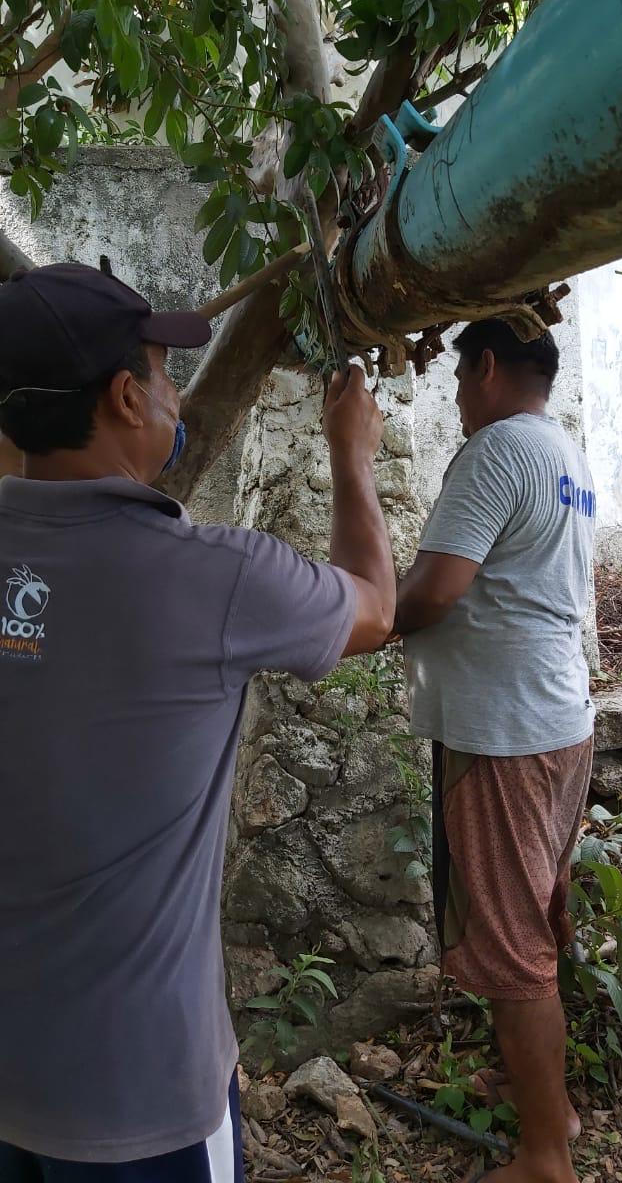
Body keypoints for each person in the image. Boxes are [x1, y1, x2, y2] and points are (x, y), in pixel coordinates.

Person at [0, 262, 395, 1181]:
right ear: (127, 398)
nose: (179, 395)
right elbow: (376, 607)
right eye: (166, 374)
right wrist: (353, 455)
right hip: (142, 1101)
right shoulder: (214, 576)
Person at [396, 318, 596, 1183]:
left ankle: (546, 1153)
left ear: (485, 366)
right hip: (556, 719)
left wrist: (361, 616)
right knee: (528, 917)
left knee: (515, 943)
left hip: (506, 732)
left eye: (455, 375)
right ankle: (532, 1093)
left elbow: (438, 589)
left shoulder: (494, 453)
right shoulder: (566, 455)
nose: (452, 394)